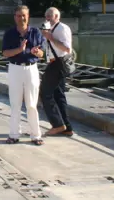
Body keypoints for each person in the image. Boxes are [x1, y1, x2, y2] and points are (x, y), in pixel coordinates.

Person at [2, 5, 45, 146]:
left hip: (31, 69)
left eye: (24, 15)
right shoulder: (9, 33)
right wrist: (20, 50)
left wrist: (36, 52)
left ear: (28, 16)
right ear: (15, 17)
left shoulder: (35, 32)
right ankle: (14, 134)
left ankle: (36, 135)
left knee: (32, 104)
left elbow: (42, 53)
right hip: (15, 68)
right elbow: (5, 53)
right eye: (19, 16)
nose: (22, 18)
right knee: (15, 104)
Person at [40, 7, 74, 137]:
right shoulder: (51, 29)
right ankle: (67, 127)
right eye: (46, 16)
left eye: (50, 15)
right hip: (54, 63)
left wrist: (50, 37)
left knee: (45, 93)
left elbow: (67, 48)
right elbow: (48, 48)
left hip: (58, 64)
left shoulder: (62, 28)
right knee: (58, 95)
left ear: (57, 16)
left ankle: (57, 125)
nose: (47, 18)